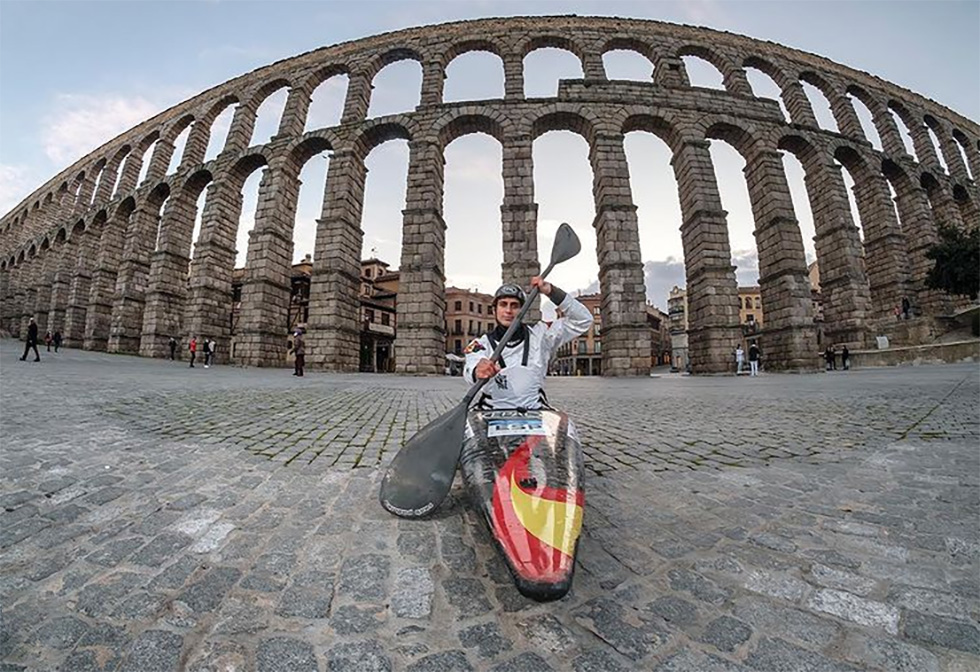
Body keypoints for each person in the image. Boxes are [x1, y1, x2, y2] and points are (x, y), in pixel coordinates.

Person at [464, 278, 593, 409]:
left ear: (523, 310)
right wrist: (477, 370)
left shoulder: (541, 335)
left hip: (533, 409)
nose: (508, 311)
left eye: (514, 306)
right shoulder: (480, 344)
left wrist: (552, 292)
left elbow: (583, 320)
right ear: (494, 310)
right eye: (503, 304)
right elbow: (471, 366)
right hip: (491, 410)